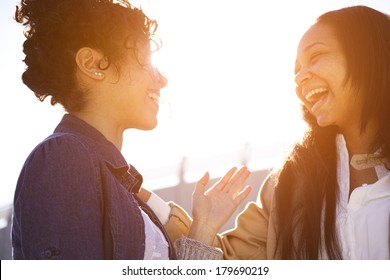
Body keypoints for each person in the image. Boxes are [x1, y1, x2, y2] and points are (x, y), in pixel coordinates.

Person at [143, 5, 390, 259]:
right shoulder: (287, 183)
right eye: (297, 70)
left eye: (315, 57)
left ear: (368, 56)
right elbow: (234, 264)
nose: (300, 77)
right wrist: (203, 226)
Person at [11, 0, 252, 260]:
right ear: (92, 63)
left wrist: (202, 230)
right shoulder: (63, 156)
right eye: (145, 63)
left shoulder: (119, 184)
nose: (162, 80)